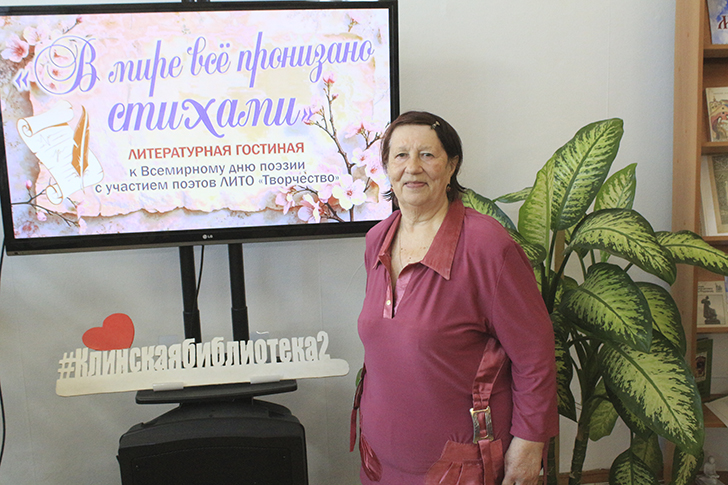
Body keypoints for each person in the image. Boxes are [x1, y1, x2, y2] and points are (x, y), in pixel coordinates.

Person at [354, 111, 558, 485]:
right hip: (379, 462)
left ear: (452, 166)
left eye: (427, 155)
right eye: (400, 156)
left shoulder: (487, 247)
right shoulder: (377, 240)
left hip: (461, 468)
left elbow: (535, 352)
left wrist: (530, 444)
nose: (412, 167)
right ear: (386, 167)